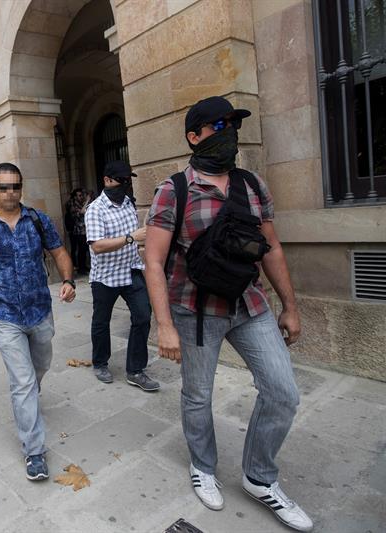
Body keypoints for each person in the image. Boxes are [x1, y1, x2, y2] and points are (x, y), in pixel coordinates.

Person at [144, 96, 311, 531]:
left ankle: (259, 477)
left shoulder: (251, 185)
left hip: (249, 306)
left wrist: (290, 306)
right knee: (197, 395)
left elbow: (271, 248)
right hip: (196, 312)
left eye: (234, 125)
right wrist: (164, 326)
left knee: (283, 392)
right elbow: (154, 262)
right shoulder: (173, 190)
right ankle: (203, 465)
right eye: (220, 125)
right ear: (194, 136)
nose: (229, 134)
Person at [0, 163, 76, 482]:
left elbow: (59, 252)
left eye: (16, 187)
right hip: (2, 312)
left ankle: (30, 400)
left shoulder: (37, 220)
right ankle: (34, 451)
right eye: (4, 187)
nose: (11, 192)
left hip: (39, 308)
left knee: (41, 364)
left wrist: (69, 280)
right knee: (22, 381)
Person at [85, 161, 159, 392]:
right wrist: (131, 237)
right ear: (107, 181)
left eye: (129, 181)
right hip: (105, 276)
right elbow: (97, 246)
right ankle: (100, 363)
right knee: (101, 321)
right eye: (122, 181)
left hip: (131, 271)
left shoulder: (128, 203)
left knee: (143, 316)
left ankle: (135, 370)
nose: (127, 185)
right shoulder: (95, 209)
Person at [66, 188, 89, 275]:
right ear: (75, 196)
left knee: (84, 249)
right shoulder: (73, 204)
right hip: (78, 230)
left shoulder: (80, 203)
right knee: (80, 249)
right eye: (79, 195)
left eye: (81, 195)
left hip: (84, 229)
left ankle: (84, 266)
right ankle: (80, 268)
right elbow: (82, 212)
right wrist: (87, 200)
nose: (81, 197)